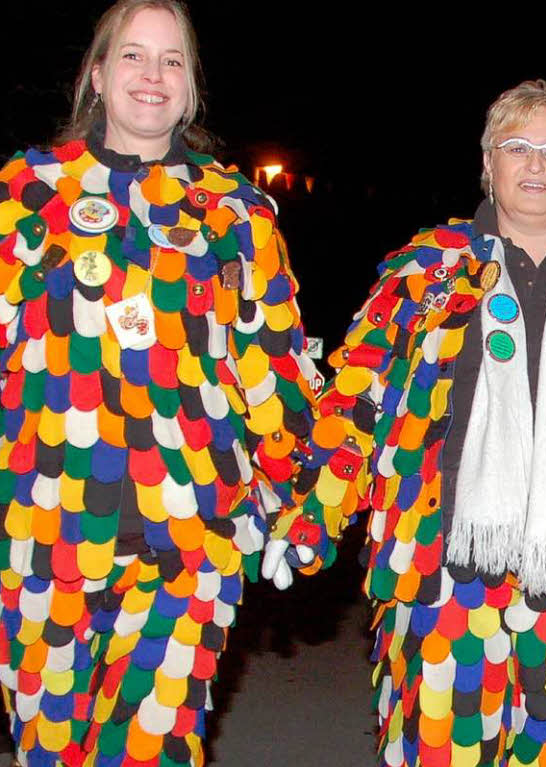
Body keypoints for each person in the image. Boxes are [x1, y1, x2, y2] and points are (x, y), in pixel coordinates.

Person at [284, 79, 546, 766]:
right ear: (488, 164)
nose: (535, 164)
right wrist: (312, 513)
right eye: (516, 146)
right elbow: (357, 402)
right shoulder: (426, 271)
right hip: (440, 573)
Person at [0, 2, 318, 764]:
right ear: (98, 76)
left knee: (153, 750)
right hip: (42, 531)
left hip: (190, 536)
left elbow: (272, 368)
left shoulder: (236, 213)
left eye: (172, 60)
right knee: (49, 750)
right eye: (134, 56)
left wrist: (303, 502)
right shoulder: (23, 198)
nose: (153, 75)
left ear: (192, 88)